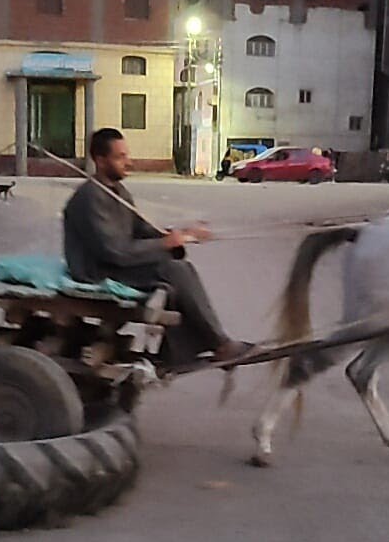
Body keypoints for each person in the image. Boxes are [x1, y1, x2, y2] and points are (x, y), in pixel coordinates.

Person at [63, 127, 253, 366]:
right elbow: (114, 251)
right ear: (100, 161)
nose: (128, 162)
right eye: (120, 157)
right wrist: (165, 243)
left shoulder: (118, 191)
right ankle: (220, 344)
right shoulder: (90, 198)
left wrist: (184, 233)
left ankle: (183, 350)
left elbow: (142, 229)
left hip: (115, 261)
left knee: (179, 266)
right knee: (175, 271)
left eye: (126, 155)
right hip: (95, 269)